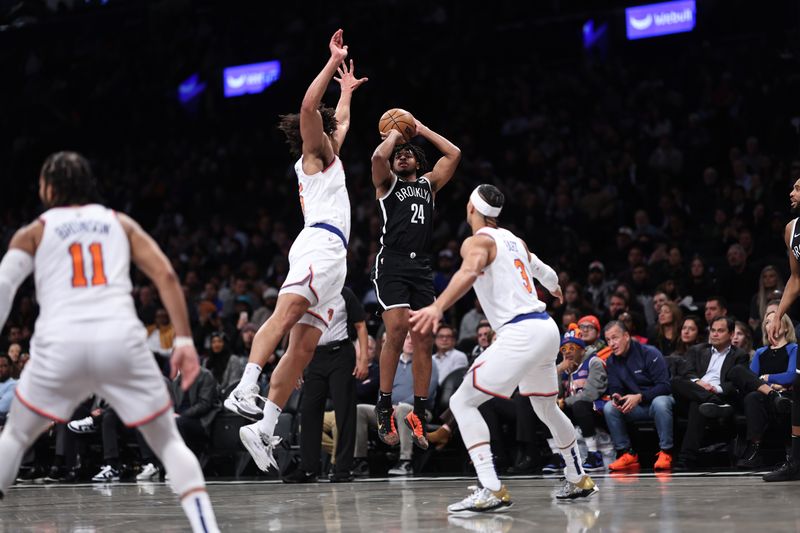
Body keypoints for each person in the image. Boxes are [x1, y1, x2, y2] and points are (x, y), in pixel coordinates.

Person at [0, 151, 218, 532]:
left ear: (49, 187)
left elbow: (3, 288)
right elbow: (165, 275)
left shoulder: (33, 231)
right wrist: (183, 338)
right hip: (120, 341)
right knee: (168, 442)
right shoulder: (120, 223)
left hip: (60, 344)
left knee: (16, 435)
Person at [223, 30, 367, 472]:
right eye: (327, 128)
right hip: (317, 245)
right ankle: (246, 386)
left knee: (302, 348)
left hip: (333, 259)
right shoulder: (312, 154)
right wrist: (331, 63)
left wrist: (345, 92)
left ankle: (263, 428)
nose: (332, 131)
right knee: (284, 318)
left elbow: (339, 122)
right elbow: (309, 108)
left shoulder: (331, 152)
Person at [410, 184, 597, 513]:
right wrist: (555, 290)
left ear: (471, 208)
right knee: (546, 408)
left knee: (462, 401)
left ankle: (492, 488)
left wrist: (438, 308)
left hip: (520, 332)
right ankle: (577, 476)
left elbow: (469, 272)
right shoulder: (516, 241)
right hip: (545, 328)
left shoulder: (476, 242)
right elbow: (547, 274)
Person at [370, 106, 461, 451]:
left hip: (421, 267)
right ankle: (384, 405)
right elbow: (379, 155)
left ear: (419, 163)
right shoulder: (386, 183)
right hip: (391, 263)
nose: (403, 156)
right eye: (400, 156)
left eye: (409, 154)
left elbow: (454, 153)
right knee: (395, 331)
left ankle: (419, 412)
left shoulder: (429, 185)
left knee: (424, 339)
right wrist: (395, 134)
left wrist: (419, 129)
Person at [283, 286, 368, 483]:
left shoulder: (345, 292)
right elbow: (296, 329)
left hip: (341, 354)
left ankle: (343, 468)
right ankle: (308, 469)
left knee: (345, 411)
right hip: (313, 356)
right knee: (309, 411)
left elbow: (361, 325)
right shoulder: (306, 296)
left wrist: (362, 359)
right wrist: (295, 365)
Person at [670, 317, 749, 468]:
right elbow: (686, 372)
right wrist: (699, 383)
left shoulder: (739, 355)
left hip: (718, 394)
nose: (715, 334)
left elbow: (737, 383)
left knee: (698, 404)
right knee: (675, 382)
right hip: (698, 392)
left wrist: (715, 389)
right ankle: (714, 401)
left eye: (720, 331)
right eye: (713, 330)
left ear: (731, 334)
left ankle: (686, 457)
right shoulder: (698, 350)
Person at [763, 176, 800, 481]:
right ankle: (796, 463)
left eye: (798, 188)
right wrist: (778, 315)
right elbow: (795, 279)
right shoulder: (792, 229)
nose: (791, 192)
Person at [602, 320, 674, 471]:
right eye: (608, 340)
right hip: (636, 407)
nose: (612, 344)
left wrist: (639, 396)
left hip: (656, 401)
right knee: (610, 407)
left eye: (615, 338)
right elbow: (615, 387)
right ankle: (627, 453)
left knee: (661, 402)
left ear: (627, 336)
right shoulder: (611, 360)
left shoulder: (649, 352)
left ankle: (666, 452)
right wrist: (616, 396)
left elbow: (665, 386)